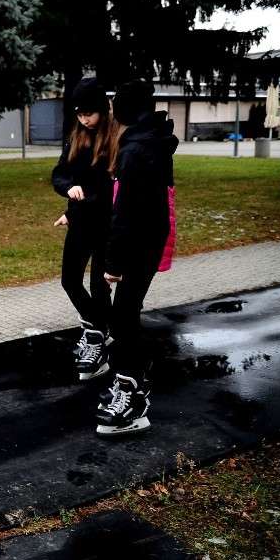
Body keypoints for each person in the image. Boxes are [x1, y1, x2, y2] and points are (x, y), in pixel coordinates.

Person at [95, 78, 178, 437]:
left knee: (123, 318)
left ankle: (133, 393)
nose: (110, 112)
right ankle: (130, 380)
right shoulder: (155, 141)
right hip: (151, 238)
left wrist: (113, 263)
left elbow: (125, 212)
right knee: (124, 316)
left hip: (137, 244)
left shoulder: (134, 149)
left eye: (114, 106)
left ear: (126, 110)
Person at [51, 77, 117, 381]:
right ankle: (99, 332)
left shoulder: (116, 137)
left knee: (98, 286)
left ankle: (96, 340)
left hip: (105, 223)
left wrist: (73, 210)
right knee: (69, 281)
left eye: (88, 114)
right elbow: (59, 175)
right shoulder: (76, 136)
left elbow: (108, 191)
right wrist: (69, 189)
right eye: (79, 114)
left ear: (103, 110)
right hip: (80, 221)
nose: (84, 119)